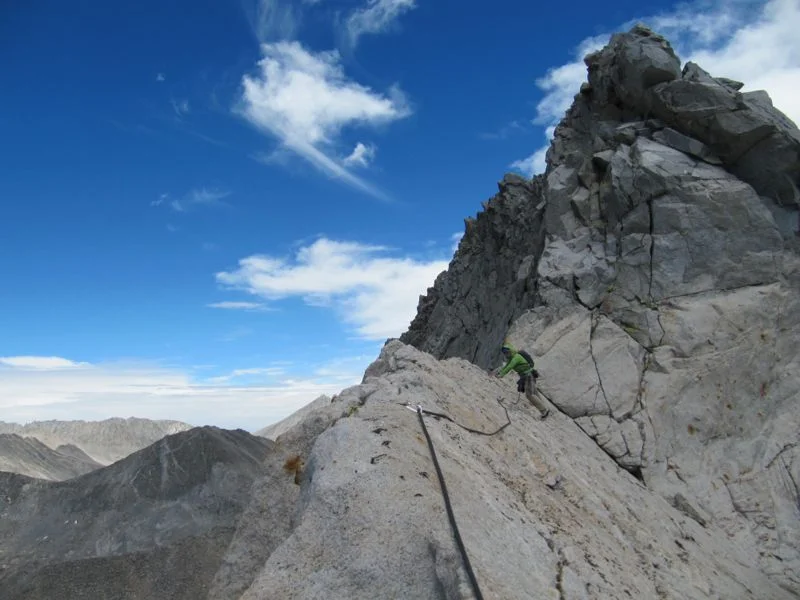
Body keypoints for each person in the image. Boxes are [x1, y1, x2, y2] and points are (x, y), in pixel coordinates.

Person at [495, 342, 549, 418]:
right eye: (505, 353)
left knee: (529, 395)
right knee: (534, 392)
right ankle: (545, 408)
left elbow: (510, 366)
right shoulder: (512, 358)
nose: (506, 354)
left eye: (507, 352)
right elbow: (506, 366)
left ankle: (544, 410)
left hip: (528, 376)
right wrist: (500, 372)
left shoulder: (516, 357)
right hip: (529, 375)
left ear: (511, 351)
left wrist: (501, 375)